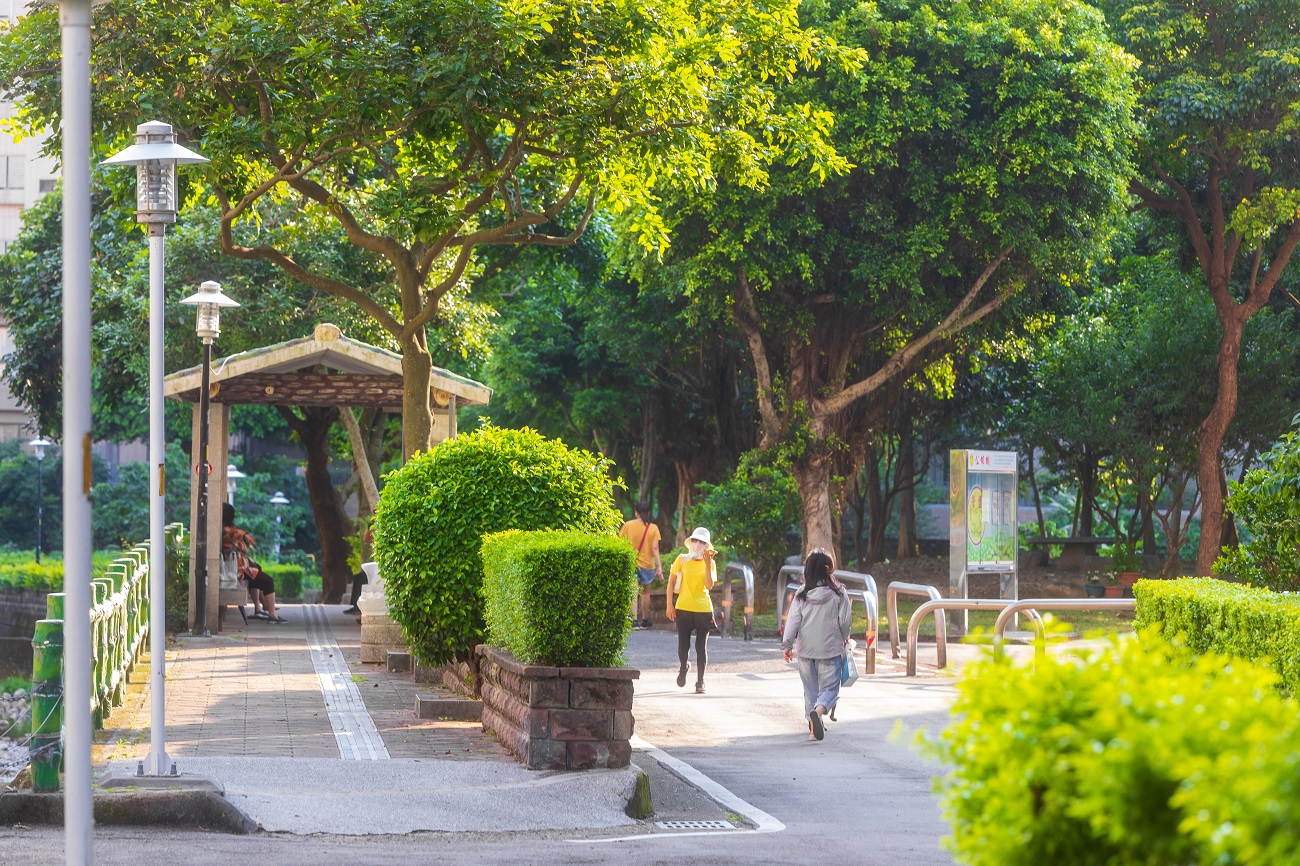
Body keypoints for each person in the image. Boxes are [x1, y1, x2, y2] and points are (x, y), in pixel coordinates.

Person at [781, 550, 851, 741]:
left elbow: (793, 621)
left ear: (808, 569)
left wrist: (787, 645)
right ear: (830, 569)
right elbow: (845, 622)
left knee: (810, 690)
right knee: (830, 689)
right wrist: (845, 639)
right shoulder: (839, 593)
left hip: (805, 651)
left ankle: (813, 731)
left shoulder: (801, 594)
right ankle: (818, 713)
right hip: (830, 649)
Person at [666, 526, 717, 694]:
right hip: (683, 607)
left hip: (703, 608)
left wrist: (708, 564)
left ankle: (700, 681)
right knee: (683, 646)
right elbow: (671, 583)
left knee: (700, 646)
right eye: (695, 541)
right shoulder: (681, 559)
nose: (698, 544)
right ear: (691, 542)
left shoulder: (710, 563)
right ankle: (683, 667)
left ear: (707, 546)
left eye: (703, 542)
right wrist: (669, 604)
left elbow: (709, 585)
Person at [221, 502, 287, 623]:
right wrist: (245, 536)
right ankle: (272, 614)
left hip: (237, 567)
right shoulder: (227, 532)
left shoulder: (225, 530)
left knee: (257, 567)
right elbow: (244, 548)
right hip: (237, 570)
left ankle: (259, 606)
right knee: (268, 581)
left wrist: (244, 537)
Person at [618, 503, 662, 628]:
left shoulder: (628, 525)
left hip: (631, 562)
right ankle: (645, 619)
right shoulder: (653, 528)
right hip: (647, 564)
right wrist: (659, 565)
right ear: (648, 512)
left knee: (633, 590)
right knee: (646, 592)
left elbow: (621, 543)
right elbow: (655, 547)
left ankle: (633, 620)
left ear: (636, 512)